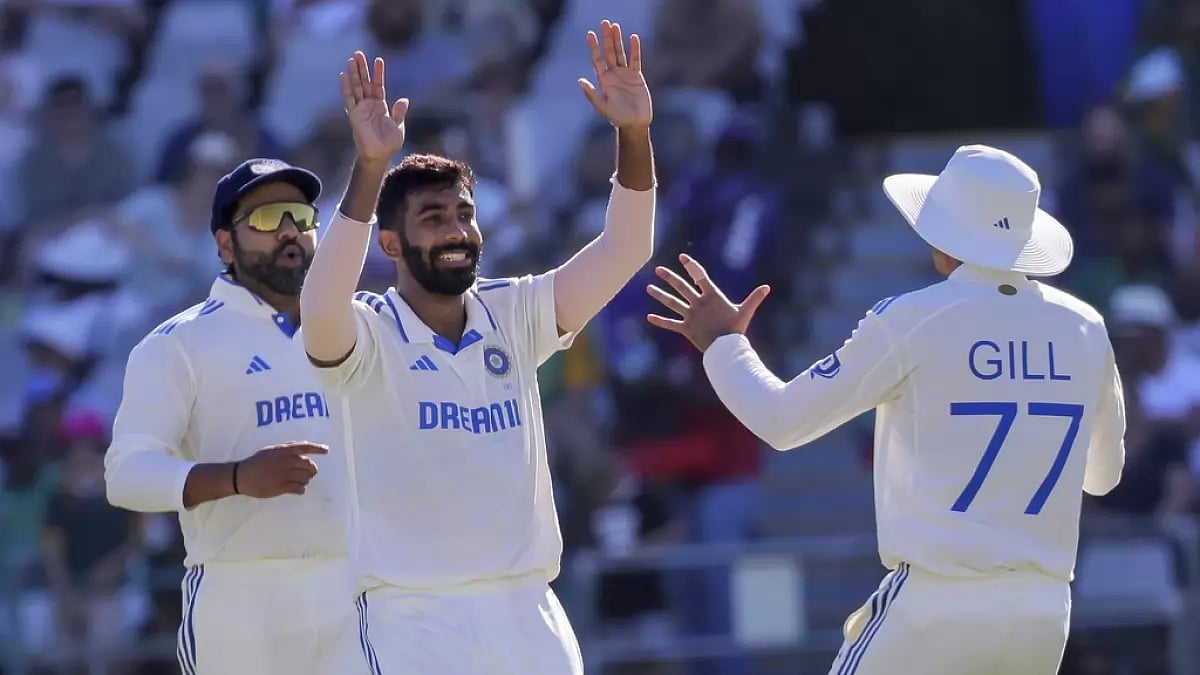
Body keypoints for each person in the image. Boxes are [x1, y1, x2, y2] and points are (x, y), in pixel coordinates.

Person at [645, 145, 1126, 675]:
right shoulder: (1086, 327)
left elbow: (782, 422)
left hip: (935, 605)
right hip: (1043, 613)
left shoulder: (913, 318)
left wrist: (723, 344)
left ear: (942, 240)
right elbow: (1102, 477)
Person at [299, 20, 655, 674]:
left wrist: (633, 138)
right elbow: (318, 307)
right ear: (392, 244)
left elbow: (625, 249)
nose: (457, 229)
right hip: (415, 620)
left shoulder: (513, 311)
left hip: (529, 614)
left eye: (464, 213)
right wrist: (370, 172)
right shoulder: (367, 333)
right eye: (433, 219)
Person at [103, 158, 358, 674]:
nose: (288, 231)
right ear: (225, 244)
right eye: (265, 219)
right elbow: (126, 476)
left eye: (298, 216)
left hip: (354, 589)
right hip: (239, 595)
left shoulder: (363, 325)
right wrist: (238, 478)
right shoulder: (178, 344)